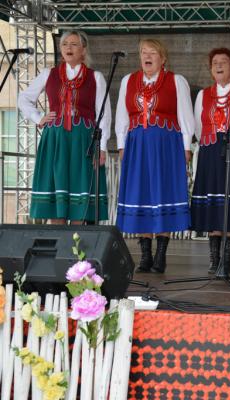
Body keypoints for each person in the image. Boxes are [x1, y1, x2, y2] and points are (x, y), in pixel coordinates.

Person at [115, 39, 194, 273]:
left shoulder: (176, 81)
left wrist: (186, 147)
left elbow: (186, 117)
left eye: (152, 52)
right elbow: (122, 116)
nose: (147, 56)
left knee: (163, 193)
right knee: (141, 195)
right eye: (143, 52)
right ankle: (145, 255)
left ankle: (161, 255)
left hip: (166, 145)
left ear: (163, 58)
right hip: (137, 144)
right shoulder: (128, 81)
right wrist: (121, 145)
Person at [18, 30, 110, 224]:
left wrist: (101, 148)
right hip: (56, 140)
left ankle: (78, 251)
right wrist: (39, 118)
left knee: (79, 192)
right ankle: (58, 248)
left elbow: (103, 115)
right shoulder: (48, 74)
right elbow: (23, 98)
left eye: (74, 44)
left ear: (84, 50)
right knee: (56, 189)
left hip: (83, 140)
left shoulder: (95, 77)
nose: (69, 47)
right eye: (65, 44)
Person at [191, 48, 230, 274]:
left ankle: (227, 261)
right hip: (210, 153)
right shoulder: (203, 95)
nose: (218, 66)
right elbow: (198, 127)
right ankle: (214, 259)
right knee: (213, 207)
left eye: (224, 62)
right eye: (215, 62)